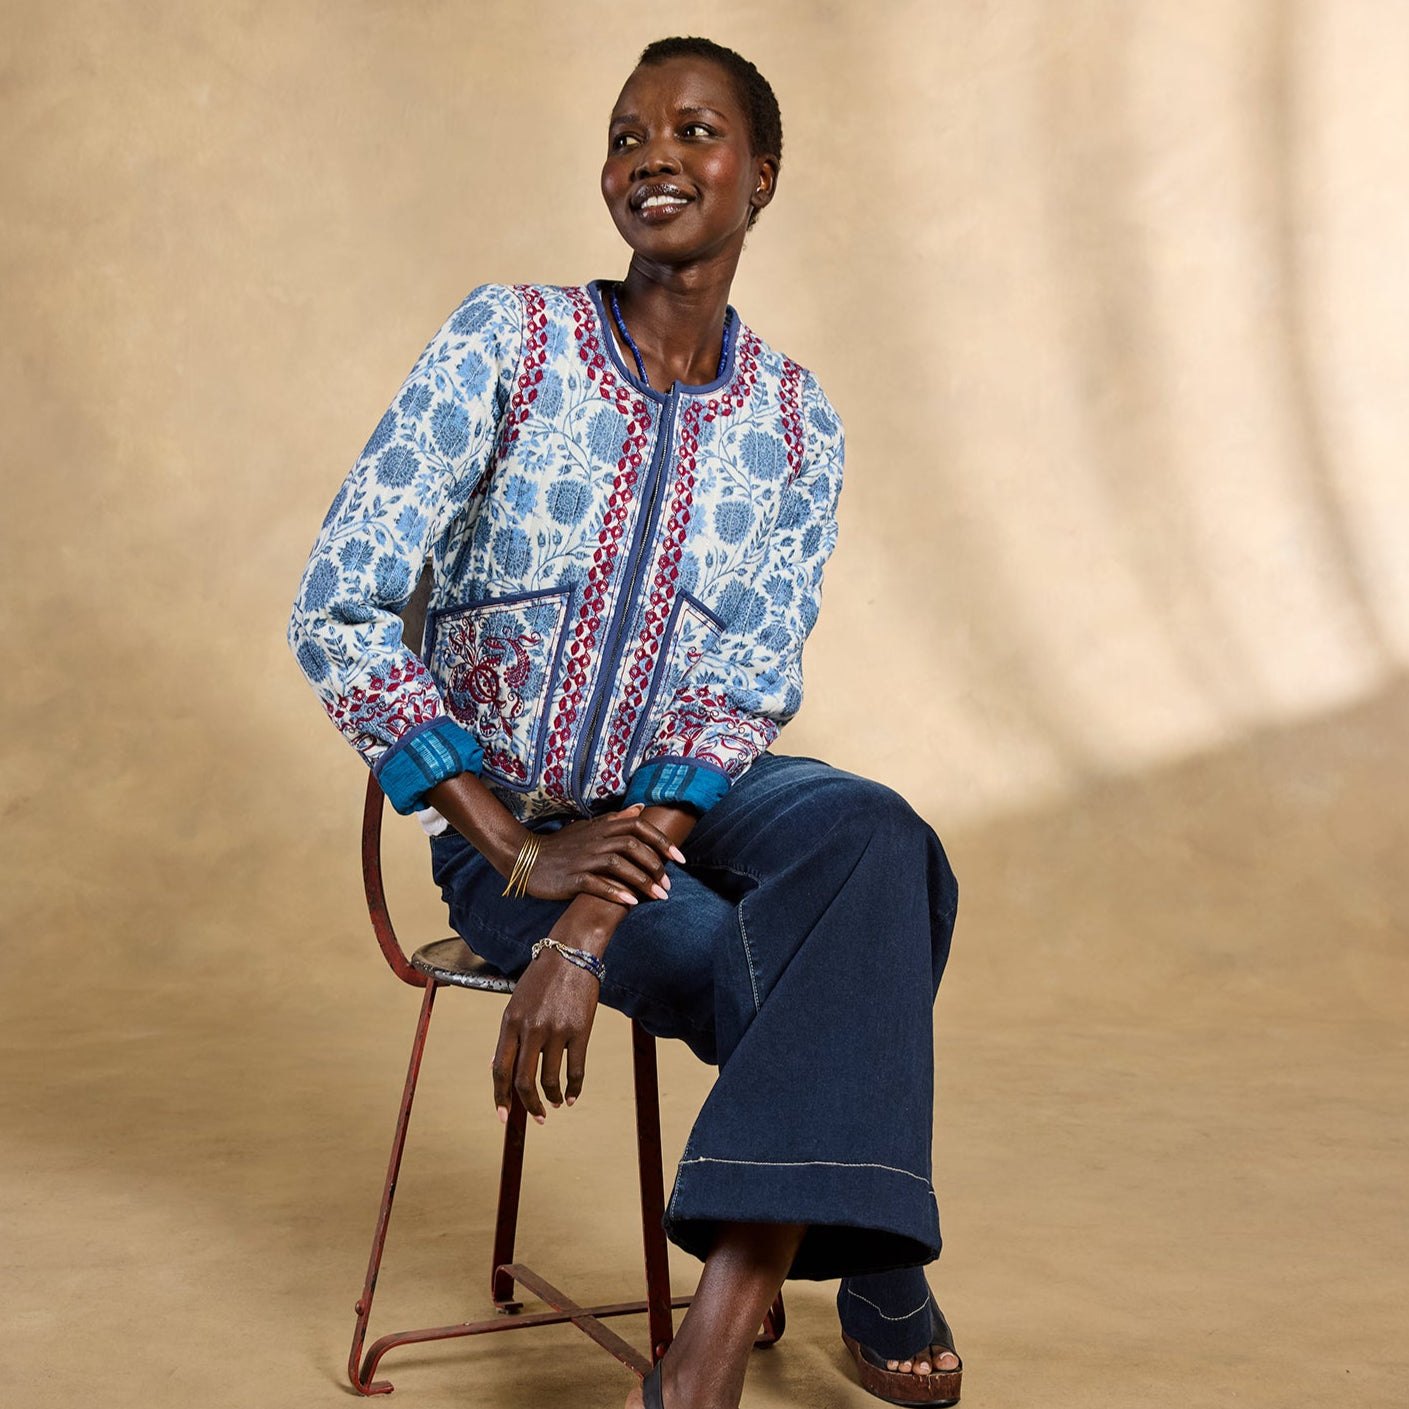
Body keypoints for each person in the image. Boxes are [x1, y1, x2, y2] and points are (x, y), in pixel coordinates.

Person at [289, 35, 961, 1409]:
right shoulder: (507, 340)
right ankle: (875, 1250)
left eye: (695, 130)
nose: (654, 155)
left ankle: (701, 1359)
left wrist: (590, 922)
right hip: (509, 825)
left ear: (759, 175)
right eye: (626, 134)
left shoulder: (796, 421)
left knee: (878, 841)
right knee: (782, 950)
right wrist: (524, 854)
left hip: (694, 796)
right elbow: (337, 606)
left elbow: (746, 684)